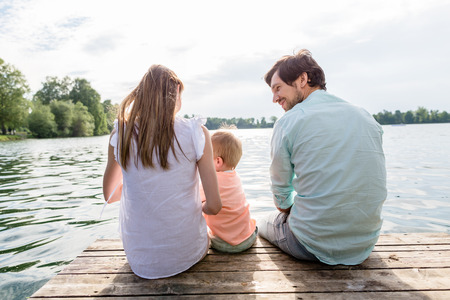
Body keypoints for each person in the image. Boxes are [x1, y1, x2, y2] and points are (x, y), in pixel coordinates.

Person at [258, 49, 387, 265]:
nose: (274, 98)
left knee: (262, 222)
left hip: (309, 245)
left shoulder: (289, 122)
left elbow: (281, 199)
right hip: (365, 244)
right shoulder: (365, 117)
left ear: (302, 79)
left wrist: (300, 213)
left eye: (278, 88)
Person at [102, 64, 222, 279]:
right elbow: (214, 206)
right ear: (176, 91)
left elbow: (110, 196)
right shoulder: (196, 132)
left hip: (140, 261)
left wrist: (141, 185)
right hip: (189, 254)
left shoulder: (120, 133)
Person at [200, 130, 257, 253]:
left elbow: (194, 200)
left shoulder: (210, 181)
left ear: (218, 161)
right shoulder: (235, 177)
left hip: (224, 244)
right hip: (248, 239)